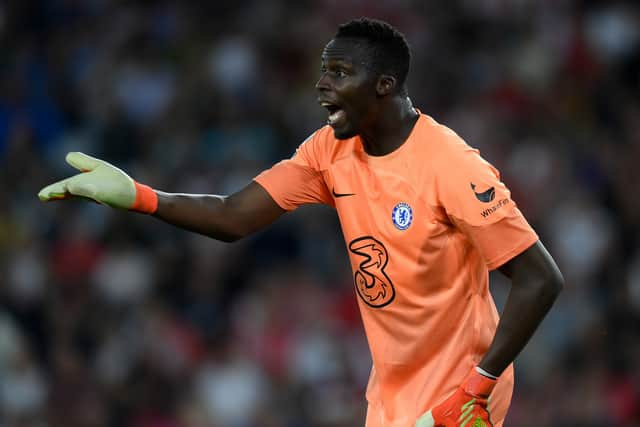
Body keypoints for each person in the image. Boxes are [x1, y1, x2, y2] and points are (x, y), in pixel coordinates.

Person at [39, 17, 563, 427]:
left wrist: (478, 384)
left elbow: (541, 277)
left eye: (339, 73)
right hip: (392, 390)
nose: (321, 85)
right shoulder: (328, 151)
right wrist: (140, 196)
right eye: (323, 71)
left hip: (460, 391)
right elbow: (233, 216)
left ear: (384, 86)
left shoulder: (449, 164)